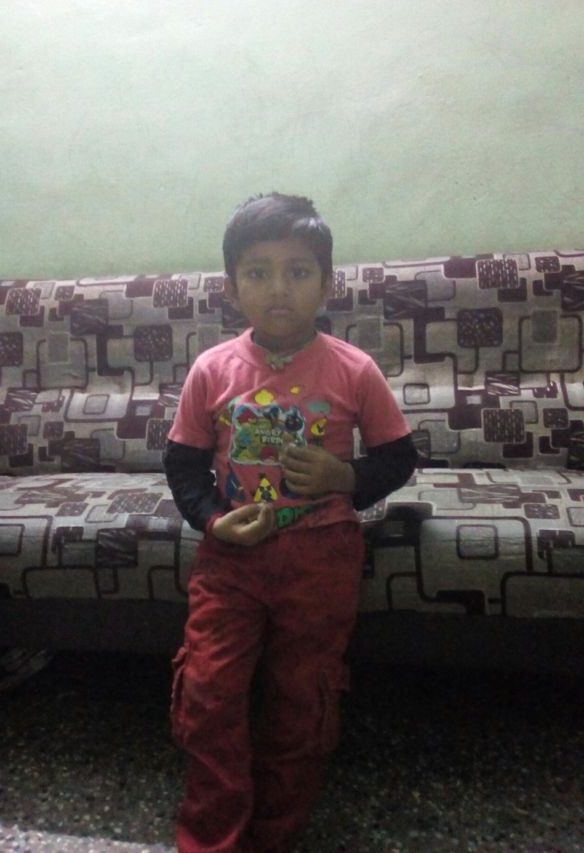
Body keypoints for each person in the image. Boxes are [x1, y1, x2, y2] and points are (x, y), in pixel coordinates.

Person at [164, 192, 417, 853]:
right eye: (259, 272)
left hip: (321, 554)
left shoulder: (353, 368)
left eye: (298, 271)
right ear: (231, 286)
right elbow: (183, 467)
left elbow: (398, 458)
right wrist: (214, 522)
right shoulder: (211, 370)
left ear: (327, 283)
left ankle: (276, 835)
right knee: (209, 691)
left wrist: (344, 477)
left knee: (303, 699)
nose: (279, 289)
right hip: (231, 560)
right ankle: (211, 837)